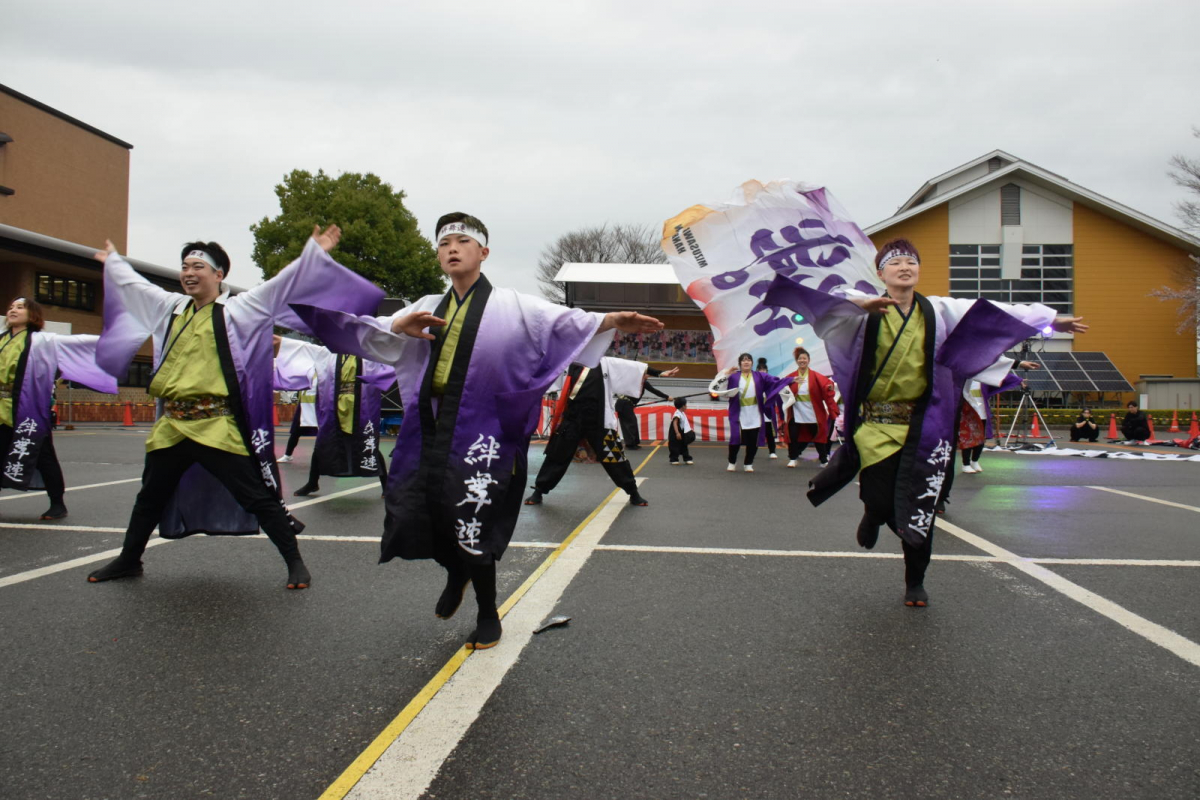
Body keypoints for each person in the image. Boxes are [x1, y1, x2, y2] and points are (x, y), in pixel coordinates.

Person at [290, 212, 662, 650]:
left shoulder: (514, 306)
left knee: (472, 516)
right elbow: (366, 332)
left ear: (483, 253)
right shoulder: (426, 306)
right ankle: (454, 572)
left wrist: (611, 319)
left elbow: (563, 323)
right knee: (416, 508)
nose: (452, 247)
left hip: (482, 429)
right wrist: (395, 324)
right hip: (428, 425)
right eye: (444, 242)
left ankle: (488, 611)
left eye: (463, 240)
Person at [763, 238, 1086, 607]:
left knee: (923, 507)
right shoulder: (863, 304)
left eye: (911, 262)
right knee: (881, 496)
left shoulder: (940, 309)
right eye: (896, 262)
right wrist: (861, 306)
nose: (905, 267)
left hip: (925, 425)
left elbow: (994, 311)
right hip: (876, 425)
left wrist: (1047, 319)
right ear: (881, 273)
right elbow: (824, 307)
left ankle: (915, 580)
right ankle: (874, 512)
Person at [86, 228, 384, 589]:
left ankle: (294, 561)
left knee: (256, 494)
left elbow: (280, 284)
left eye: (198, 266)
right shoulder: (170, 309)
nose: (189, 272)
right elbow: (137, 289)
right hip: (173, 424)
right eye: (185, 266)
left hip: (216, 424)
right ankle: (129, 559)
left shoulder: (240, 308)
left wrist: (312, 255)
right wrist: (114, 263)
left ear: (219, 275)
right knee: (150, 496)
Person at [1, 297, 118, 519]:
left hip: (29, 408)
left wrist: (113, 341)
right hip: (1, 409)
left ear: (32, 314)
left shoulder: (43, 341)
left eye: (19, 307)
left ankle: (58, 503)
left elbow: (79, 343)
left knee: (43, 457)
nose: (12, 310)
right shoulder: (2, 339)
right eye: (10, 307)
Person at [273, 337, 394, 496]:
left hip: (360, 406)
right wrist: (278, 339)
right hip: (333, 406)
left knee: (368, 443)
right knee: (323, 443)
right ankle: (312, 483)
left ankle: (387, 487)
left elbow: (391, 358)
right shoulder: (327, 353)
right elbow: (299, 349)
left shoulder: (368, 353)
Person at [526, 356, 652, 507]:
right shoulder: (569, 361)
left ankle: (633, 492)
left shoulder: (605, 362)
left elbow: (633, 368)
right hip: (572, 418)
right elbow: (546, 370)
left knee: (615, 458)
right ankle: (539, 490)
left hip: (599, 420)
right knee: (557, 455)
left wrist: (659, 373)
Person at [708, 353, 793, 473]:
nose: (746, 362)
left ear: (752, 363)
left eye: (748, 360)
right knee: (735, 438)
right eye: (743, 360)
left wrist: (791, 380)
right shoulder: (733, 376)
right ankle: (732, 462)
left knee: (753, 440)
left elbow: (775, 381)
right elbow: (716, 385)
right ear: (740, 363)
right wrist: (726, 373)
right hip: (738, 412)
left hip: (754, 412)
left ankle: (748, 463)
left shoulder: (759, 376)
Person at [785, 347, 839, 468]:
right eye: (800, 359)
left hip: (812, 410)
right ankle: (792, 458)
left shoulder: (815, 376)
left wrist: (829, 388)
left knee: (819, 434)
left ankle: (823, 459)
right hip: (796, 410)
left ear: (809, 360)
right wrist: (790, 382)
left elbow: (826, 384)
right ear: (797, 361)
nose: (802, 360)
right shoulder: (792, 376)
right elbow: (782, 386)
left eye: (804, 358)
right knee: (793, 435)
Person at [615, 365, 679, 449]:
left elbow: (654, 388)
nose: (648, 375)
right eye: (646, 374)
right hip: (623, 403)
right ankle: (630, 444)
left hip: (627, 404)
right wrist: (667, 397)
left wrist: (666, 396)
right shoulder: (638, 381)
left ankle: (633, 443)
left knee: (632, 423)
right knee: (629, 424)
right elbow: (654, 391)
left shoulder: (642, 382)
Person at [277, 386, 317, 463]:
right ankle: (287, 455)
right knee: (295, 432)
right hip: (303, 407)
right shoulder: (306, 375)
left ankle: (324, 457)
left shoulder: (321, 375)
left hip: (316, 407)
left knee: (323, 433)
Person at [756, 358, 782, 459]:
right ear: (757, 371)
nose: (762, 371)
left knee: (769, 432)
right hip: (756, 411)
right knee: (754, 432)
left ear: (767, 371)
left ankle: (772, 451)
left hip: (767, 411)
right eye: (760, 369)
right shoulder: (753, 381)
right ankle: (752, 451)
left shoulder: (771, 381)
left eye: (764, 369)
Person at [667, 396, 695, 465]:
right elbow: (675, 423)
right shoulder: (677, 414)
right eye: (685, 405)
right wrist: (677, 433)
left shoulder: (682, 413)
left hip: (682, 432)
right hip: (676, 432)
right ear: (682, 406)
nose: (686, 406)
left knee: (684, 445)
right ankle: (673, 459)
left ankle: (687, 458)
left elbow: (685, 423)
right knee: (675, 446)